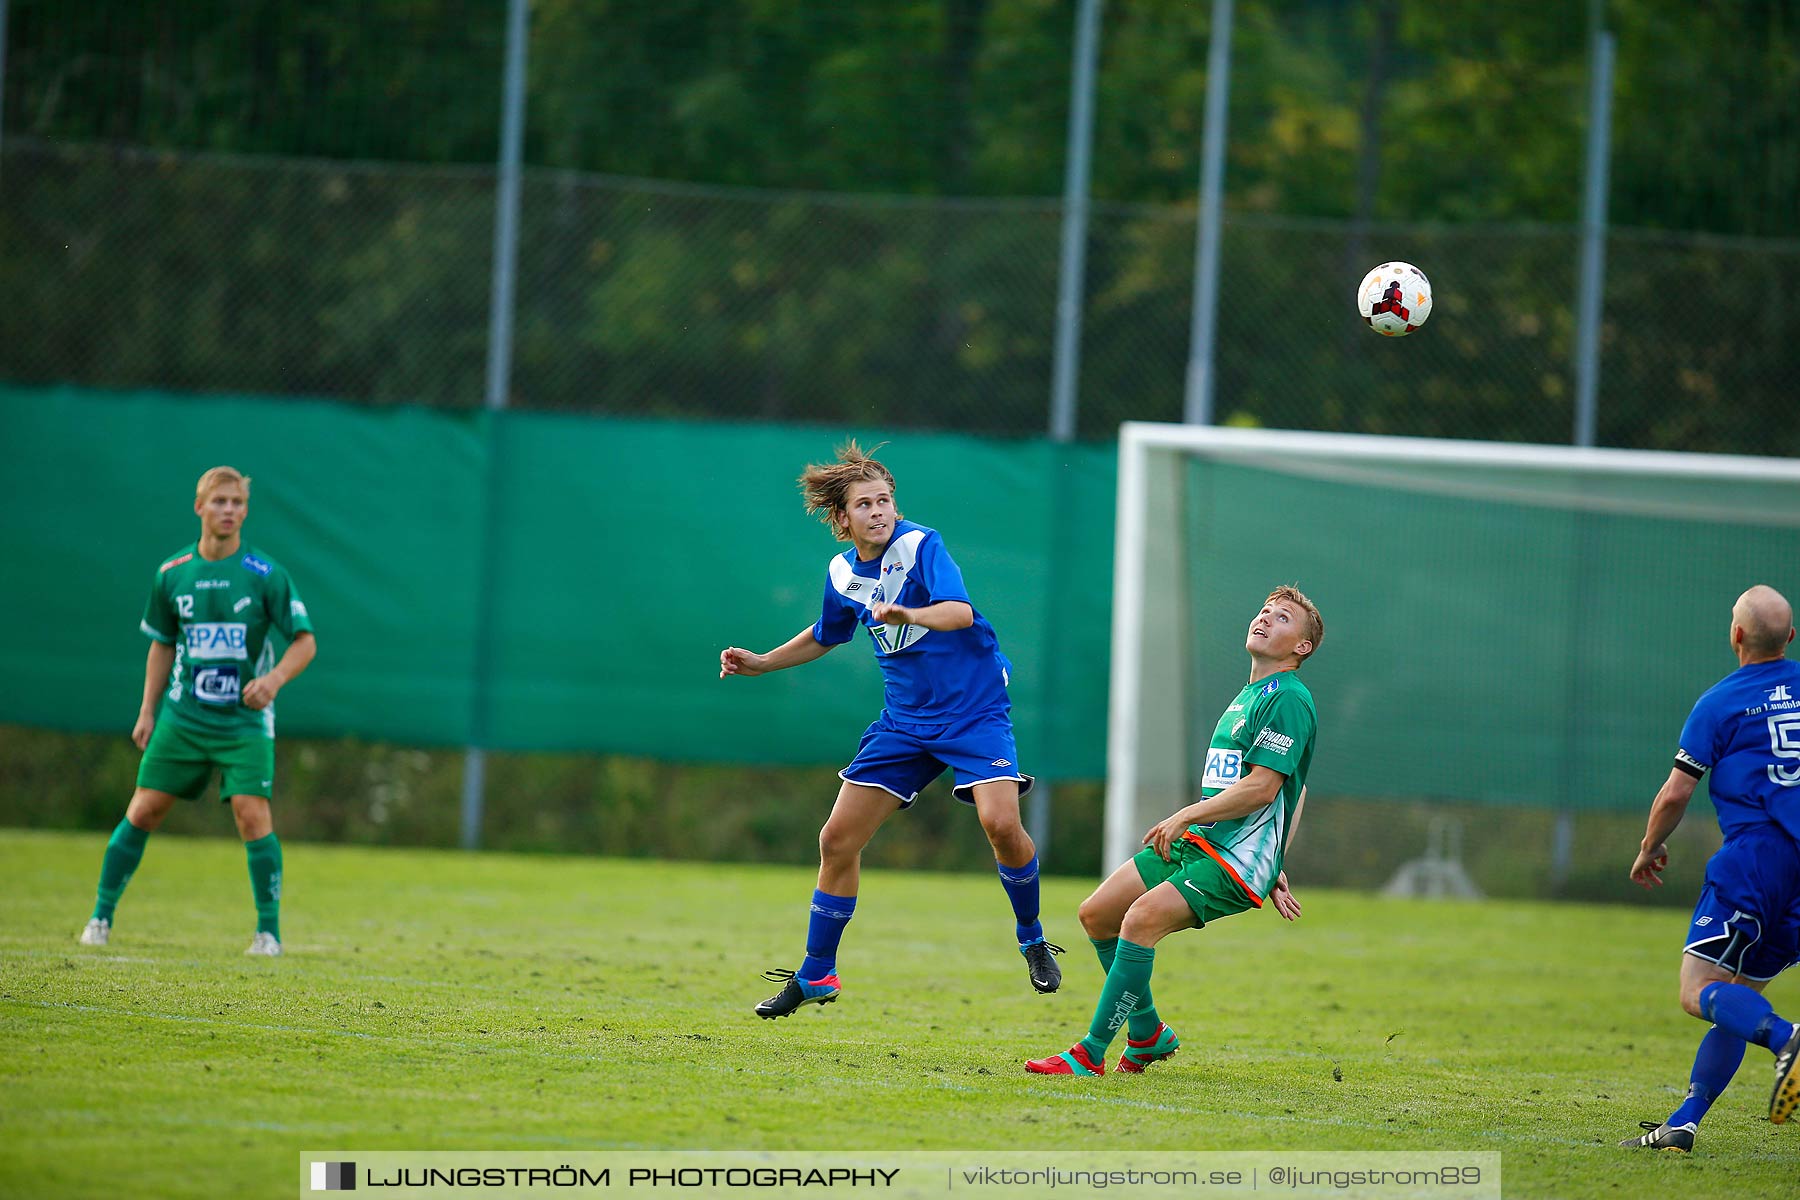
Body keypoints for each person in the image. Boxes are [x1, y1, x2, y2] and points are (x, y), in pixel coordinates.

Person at [721, 441, 1060, 1018]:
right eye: (866, 504)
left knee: (1001, 823)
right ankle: (817, 973)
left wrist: (908, 613)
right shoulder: (841, 572)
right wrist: (763, 662)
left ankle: (1031, 938)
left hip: (974, 712)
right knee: (836, 840)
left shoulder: (921, 545)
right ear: (843, 517)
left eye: (886, 501)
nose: (880, 512)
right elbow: (828, 633)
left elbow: (957, 612)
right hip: (905, 724)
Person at [1026, 586, 1321, 1075]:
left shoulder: (1290, 698)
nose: (1266, 618)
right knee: (1097, 914)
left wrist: (1198, 820)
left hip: (1232, 860)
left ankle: (1089, 1054)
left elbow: (1267, 788)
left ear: (1301, 647)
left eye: (1283, 618)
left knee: (1139, 922)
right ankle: (1147, 1034)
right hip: (1205, 843)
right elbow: (1297, 787)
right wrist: (1277, 855)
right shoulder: (1252, 694)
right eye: (1264, 609)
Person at [77, 466, 316, 957]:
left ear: (245, 510)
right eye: (220, 501)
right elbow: (163, 644)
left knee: (253, 816)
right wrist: (147, 711)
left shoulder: (265, 574)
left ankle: (268, 933)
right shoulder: (172, 573)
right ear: (199, 506)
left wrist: (272, 681)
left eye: (237, 503)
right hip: (183, 717)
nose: (229, 510)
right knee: (143, 810)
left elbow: (305, 642)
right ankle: (100, 916)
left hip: (244, 722)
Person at [1621, 584, 1800, 1150]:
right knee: (1738, 993)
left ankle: (1789, 1038)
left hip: (1756, 859)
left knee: (1699, 990)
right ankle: (1683, 1123)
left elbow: (1676, 794)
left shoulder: (1720, 702)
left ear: (1737, 635)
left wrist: (1649, 846)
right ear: (1791, 638)